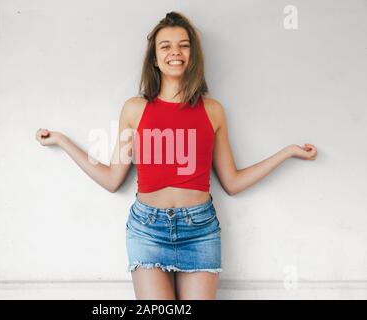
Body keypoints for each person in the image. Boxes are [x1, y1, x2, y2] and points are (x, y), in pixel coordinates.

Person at [35, 11, 318, 300]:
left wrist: (287, 153)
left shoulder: (213, 111)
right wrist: (63, 141)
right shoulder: (134, 110)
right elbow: (112, 179)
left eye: (184, 45)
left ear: (193, 56)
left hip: (200, 229)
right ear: (155, 59)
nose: (175, 52)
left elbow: (231, 182)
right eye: (165, 46)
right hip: (147, 229)